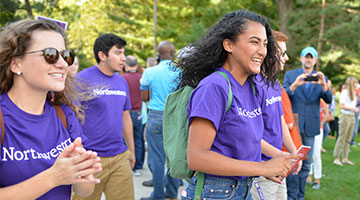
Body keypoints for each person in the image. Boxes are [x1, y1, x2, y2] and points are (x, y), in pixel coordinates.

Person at [178, 10, 301, 200]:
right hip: (215, 192)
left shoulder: (251, 87)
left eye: (265, 44)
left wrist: (275, 160)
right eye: (254, 42)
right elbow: (197, 157)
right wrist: (261, 167)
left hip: (243, 189)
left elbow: (247, 139)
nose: (262, 51)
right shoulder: (214, 86)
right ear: (228, 45)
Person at [0, 19, 102, 200]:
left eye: (66, 55)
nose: (64, 64)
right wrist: (53, 177)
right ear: (16, 64)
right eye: (50, 54)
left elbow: (83, 190)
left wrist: (83, 171)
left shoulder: (64, 114)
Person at [72, 33, 135, 200]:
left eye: (123, 53)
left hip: (119, 156)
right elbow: (72, 118)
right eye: (118, 53)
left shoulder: (122, 82)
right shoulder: (82, 80)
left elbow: (125, 118)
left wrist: (131, 151)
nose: (123, 58)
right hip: (90, 158)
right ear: (102, 55)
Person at [250, 30, 301, 200]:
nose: (286, 58)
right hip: (261, 167)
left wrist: (295, 152)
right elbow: (249, 135)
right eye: (283, 53)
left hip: (278, 164)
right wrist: (281, 156)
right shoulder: (252, 85)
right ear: (269, 54)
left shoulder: (274, 84)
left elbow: (280, 121)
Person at [283, 46, 333, 200]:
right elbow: (283, 95)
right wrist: (295, 85)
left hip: (311, 126)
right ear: (301, 58)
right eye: (306, 56)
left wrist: (324, 86)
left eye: (312, 57)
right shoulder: (291, 75)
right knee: (293, 161)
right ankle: (291, 195)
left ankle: (300, 196)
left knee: (306, 164)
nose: (309, 59)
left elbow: (329, 99)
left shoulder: (320, 77)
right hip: (295, 126)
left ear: (315, 60)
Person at [140, 41, 181, 200]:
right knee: (173, 156)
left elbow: (144, 97)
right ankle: (172, 193)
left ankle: (157, 195)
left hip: (156, 115)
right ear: (172, 54)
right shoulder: (180, 72)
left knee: (156, 158)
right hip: (175, 116)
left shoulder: (150, 72)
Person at [121, 55, 145, 176]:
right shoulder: (142, 77)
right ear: (136, 64)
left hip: (126, 113)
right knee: (139, 139)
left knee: (126, 139)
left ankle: (128, 164)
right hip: (139, 112)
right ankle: (138, 167)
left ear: (126, 65)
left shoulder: (121, 78)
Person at [333, 76, 359, 166]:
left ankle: (345, 158)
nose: (357, 84)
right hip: (345, 116)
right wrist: (353, 108)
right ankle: (336, 158)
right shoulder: (344, 92)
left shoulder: (354, 93)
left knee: (348, 138)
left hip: (352, 116)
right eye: (356, 82)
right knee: (341, 137)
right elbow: (342, 105)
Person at [307, 99, 329, 190]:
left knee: (316, 154)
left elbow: (326, 114)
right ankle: (309, 175)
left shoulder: (322, 99)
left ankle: (317, 179)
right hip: (308, 128)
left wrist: (320, 125)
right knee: (309, 153)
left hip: (318, 129)